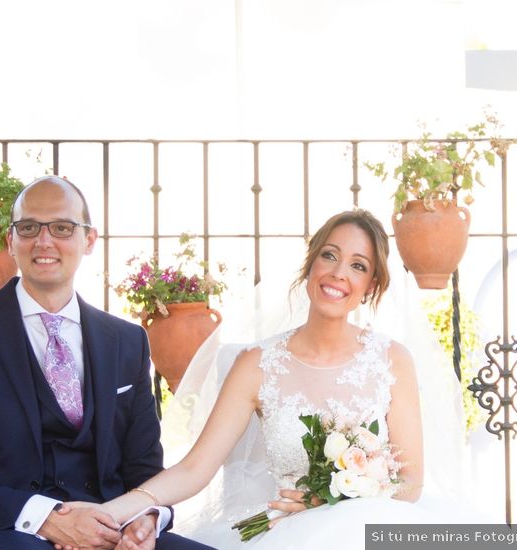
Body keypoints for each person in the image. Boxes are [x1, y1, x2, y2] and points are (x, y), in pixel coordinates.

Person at [65, 209, 460, 549]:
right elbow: (194, 469)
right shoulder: (257, 364)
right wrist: (112, 511)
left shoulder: (391, 360)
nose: (339, 273)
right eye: (330, 256)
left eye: (358, 265)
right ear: (311, 265)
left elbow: (409, 483)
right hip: (279, 531)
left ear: (371, 285)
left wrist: (329, 497)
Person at [0, 175, 214, 550]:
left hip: (107, 526)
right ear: (11, 241)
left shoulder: (126, 341)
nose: (44, 241)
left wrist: (147, 518)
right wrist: (50, 520)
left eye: (61, 228)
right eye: (28, 228)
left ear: (89, 240)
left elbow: (144, 470)